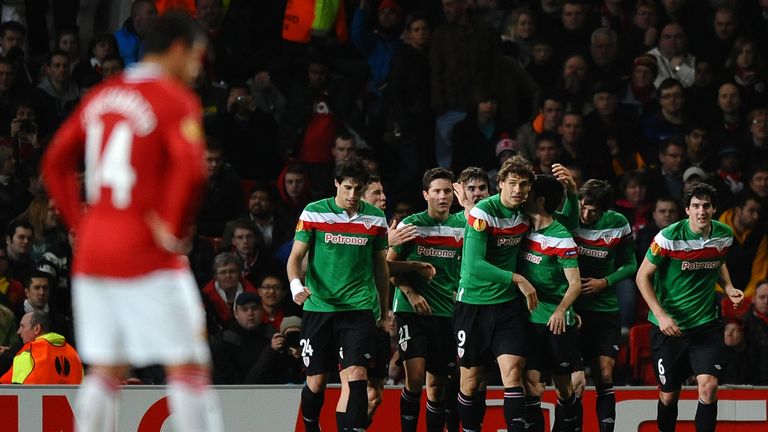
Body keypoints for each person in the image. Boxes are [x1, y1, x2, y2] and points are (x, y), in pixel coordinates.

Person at [41, 12, 224, 432]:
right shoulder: (174, 97)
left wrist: (76, 223)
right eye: (196, 57)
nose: (197, 69)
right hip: (146, 248)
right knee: (190, 365)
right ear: (178, 49)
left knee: (106, 369)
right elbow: (193, 170)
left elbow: (54, 161)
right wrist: (175, 230)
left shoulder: (103, 95)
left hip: (94, 250)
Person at [287, 156, 389, 432]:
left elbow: (381, 268)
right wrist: (297, 286)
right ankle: (310, 426)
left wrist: (384, 308)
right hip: (319, 307)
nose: (353, 195)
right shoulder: (313, 212)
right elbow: (295, 257)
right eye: (347, 188)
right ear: (336, 184)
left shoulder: (376, 218)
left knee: (356, 375)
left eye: (358, 188)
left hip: (358, 309)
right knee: (316, 381)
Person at [636, 183, 744, 432]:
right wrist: (661, 316)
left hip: (706, 325)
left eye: (706, 205)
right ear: (687, 209)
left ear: (714, 209)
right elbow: (642, 277)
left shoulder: (724, 234)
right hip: (669, 328)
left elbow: (718, 260)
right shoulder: (668, 238)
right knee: (669, 396)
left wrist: (728, 287)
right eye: (695, 206)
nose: (701, 211)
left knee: (708, 386)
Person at [454, 156, 538, 432]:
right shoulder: (482, 214)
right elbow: (475, 265)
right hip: (474, 304)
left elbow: (565, 223)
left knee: (513, 375)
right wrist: (517, 279)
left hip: (507, 306)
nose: (518, 190)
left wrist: (572, 194)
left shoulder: (526, 213)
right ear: (500, 184)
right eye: (512, 183)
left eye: (523, 185)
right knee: (470, 381)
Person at [388, 168, 464, 432]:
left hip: (446, 312)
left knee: (437, 386)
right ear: (425, 194)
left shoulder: (462, 226)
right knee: (416, 378)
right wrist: (411, 292)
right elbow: (387, 267)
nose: (442, 196)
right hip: (411, 310)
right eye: (436, 191)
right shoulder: (411, 225)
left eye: (447, 191)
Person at [569, 180, 637, 432]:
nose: (586, 215)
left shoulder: (618, 223)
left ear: (604, 210)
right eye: (583, 208)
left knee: (604, 374)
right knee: (574, 382)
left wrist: (604, 282)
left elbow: (631, 265)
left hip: (605, 310)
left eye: (593, 211)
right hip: (573, 310)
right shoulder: (569, 218)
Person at [518, 175, 582, 432]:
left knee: (564, 387)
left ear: (540, 200)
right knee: (531, 386)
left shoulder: (561, 237)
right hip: (528, 320)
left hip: (556, 321)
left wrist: (561, 310)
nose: (522, 194)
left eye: (528, 191)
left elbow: (575, 283)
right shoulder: (521, 227)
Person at [209, 292, 276, 384]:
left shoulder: (272, 336)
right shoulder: (224, 340)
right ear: (236, 313)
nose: (250, 313)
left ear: (262, 311)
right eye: (244, 309)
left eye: (255, 308)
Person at [0, 310, 82, 384]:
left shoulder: (28, 353)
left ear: (37, 328)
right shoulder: (74, 354)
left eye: (22, 326)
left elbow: (9, 389)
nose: (18, 332)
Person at [743, 280, 768, 385]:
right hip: (752, 382)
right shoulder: (742, 324)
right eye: (762, 297)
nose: (766, 301)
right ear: (753, 298)